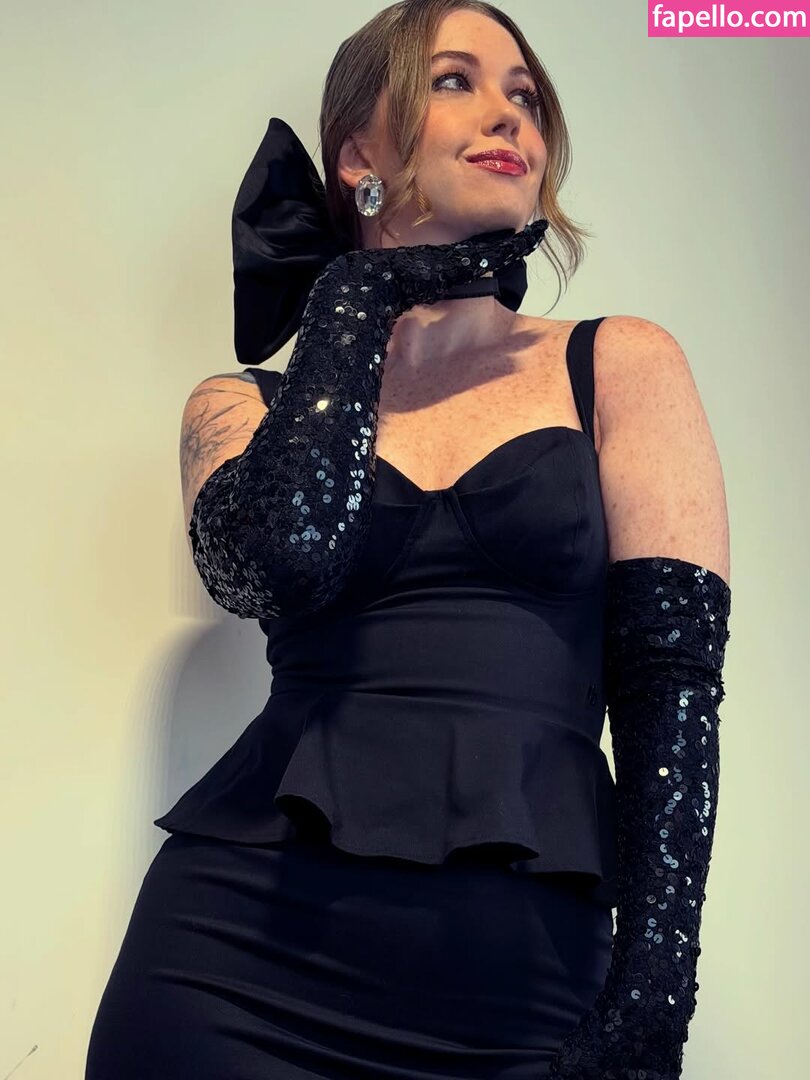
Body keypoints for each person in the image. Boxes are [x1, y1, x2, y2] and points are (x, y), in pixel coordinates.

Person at [84, 2, 732, 1078]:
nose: (508, 115)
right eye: (454, 81)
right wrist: (358, 294)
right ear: (359, 158)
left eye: (526, 96)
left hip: (518, 989)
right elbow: (277, 561)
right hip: (229, 969)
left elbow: (672, 684)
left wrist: (653, 999)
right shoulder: (239, 406)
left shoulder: (619, 363)